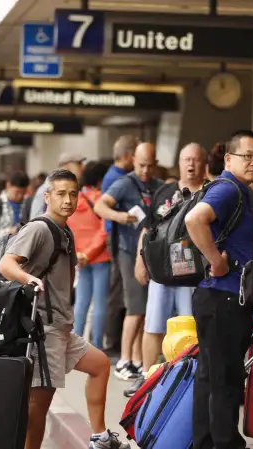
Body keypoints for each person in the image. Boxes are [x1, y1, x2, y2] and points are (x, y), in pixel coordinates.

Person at [0, 169, 129, 449]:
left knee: (100, 365)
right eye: (60, 194)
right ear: (47, 197)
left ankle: (99, 437)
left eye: (72, 193)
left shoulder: (63, 230)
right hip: (43, 330)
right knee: (37, 408)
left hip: (61, 328)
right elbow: (6, 264)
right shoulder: (39, 228)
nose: (68, 200)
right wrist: (28, 278)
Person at [184, 130, 253, 449]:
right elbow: (194, 219)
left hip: (218, 296)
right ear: (229, 159)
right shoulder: (229, 189)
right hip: (223, 295)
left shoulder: (241, 192)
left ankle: (205, 441)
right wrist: (215, 260)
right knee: (225, 379)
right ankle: (225, 442)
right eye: (248, 156)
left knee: (211, 376)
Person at [126, 143, 207, 396]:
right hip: (162, 270)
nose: (191, 164)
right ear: (179, 163)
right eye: (186, 159)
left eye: (195, 159)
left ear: (203, 164)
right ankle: (148, 376)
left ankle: (191, 379)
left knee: (190, 326)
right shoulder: (164, 191)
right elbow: (148, 230)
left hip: (192, 272)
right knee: (153, 324)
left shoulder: (210, 193)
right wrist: (141, 261)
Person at [94, 143, 163, 381]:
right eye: (141, 165)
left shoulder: (159, 186)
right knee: (135, 308)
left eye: (150, 166)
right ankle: (124, 359)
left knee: (145, 310)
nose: (145, 170)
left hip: (150, 253)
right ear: (133, 160)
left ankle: (136, 359)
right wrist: (119, 216)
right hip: (127, 251)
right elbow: (100, 205)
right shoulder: (124, 183)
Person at [102, 135, 138, 355]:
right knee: (117, 292)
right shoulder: (117, 179)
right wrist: (122, 217)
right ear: (126, 156)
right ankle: (112, 341)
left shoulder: (117, 176)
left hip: (120, 239)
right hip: (117, 240)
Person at [68, 162, 111, 349]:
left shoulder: (74, 200)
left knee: (81, 302)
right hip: (100, 257)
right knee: (100, 304)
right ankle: (97, 345)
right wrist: (90, 252)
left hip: (80, 259)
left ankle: (75, 343)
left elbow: (70, 230)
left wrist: (79, 254)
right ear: (101, 180)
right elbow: (104, 230)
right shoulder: (101, 199)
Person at [0, 171, 30, 262]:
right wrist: (10, 232)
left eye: (23, 193)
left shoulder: (27, 203)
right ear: (8, 186)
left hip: (22, 258)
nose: (20, 196)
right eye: (17, 192)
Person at [29, 152, 85, 220]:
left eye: (73, 194)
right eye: (78, 163)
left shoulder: (82, 187)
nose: (83, 167)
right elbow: (36, 217)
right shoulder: (46, 187)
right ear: (66, 166)